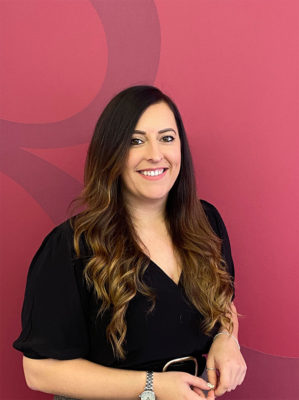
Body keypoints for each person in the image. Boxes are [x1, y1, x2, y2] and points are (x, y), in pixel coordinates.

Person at [13, 85, 246, 400]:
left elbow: (224, 303)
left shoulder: (206, 223)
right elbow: (39, 371)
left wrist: (227, 340)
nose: (155, 153)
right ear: (111, 153)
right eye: (136, 141)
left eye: (167, 138)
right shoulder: (71, 246)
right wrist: (153, 387)